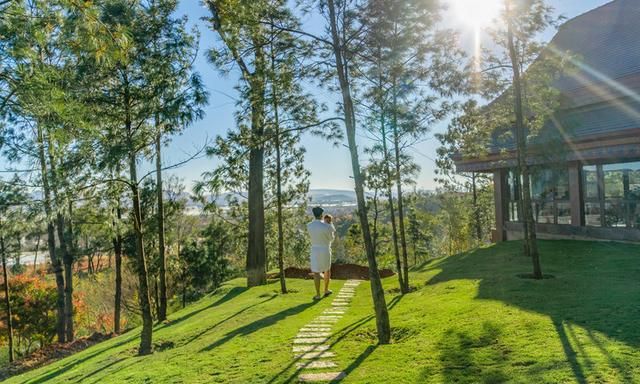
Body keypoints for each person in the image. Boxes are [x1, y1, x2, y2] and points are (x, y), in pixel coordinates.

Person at [307, 206, 335, 300]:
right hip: (325, 249)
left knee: (316, 272)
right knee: (327, 269)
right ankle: (326, 290)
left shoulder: (309, 225)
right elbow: (331, 239)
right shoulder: (326, 226)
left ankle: (318, 294)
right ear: (321, 214)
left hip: (314, 249)